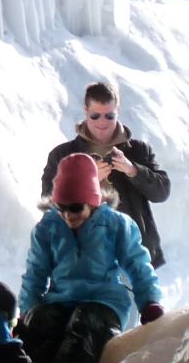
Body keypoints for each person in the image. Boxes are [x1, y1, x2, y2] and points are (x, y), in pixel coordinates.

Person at [15, 153, 164, 363]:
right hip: (60, 298)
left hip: (104, 301)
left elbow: (138, 265)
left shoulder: (116, 225)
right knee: (44, 319)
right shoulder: (48, 228)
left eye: (75, 208)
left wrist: (149, 303)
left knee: (85, 323)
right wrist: (28, 311)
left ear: (92, 201)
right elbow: (36, 273)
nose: (67, 215)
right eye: (61, 207)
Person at [40, 80, 172, 267]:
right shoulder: (62, 155)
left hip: (132, 260)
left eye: (109, 116)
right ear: (86, 111)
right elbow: (50, 204)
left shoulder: (138, 150)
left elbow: (162, 192)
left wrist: (133, 170)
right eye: (95, 116)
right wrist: (85, 182)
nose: (102, 122)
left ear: (117, 110)